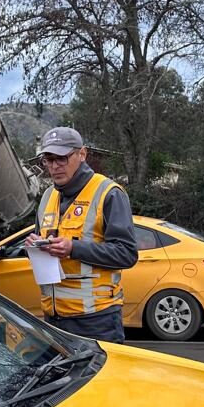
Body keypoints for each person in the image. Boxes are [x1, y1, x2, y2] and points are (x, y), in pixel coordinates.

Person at [27, 127, 138, 342]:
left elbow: (127, 254)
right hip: (53, 319)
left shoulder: (109, 193)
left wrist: (73, 248)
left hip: (97, 321)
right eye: (48, 160)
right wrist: (34, 244)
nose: (54, 167)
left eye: (61, 158)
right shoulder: (48, 196)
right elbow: (40, 242)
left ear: (82, 154)